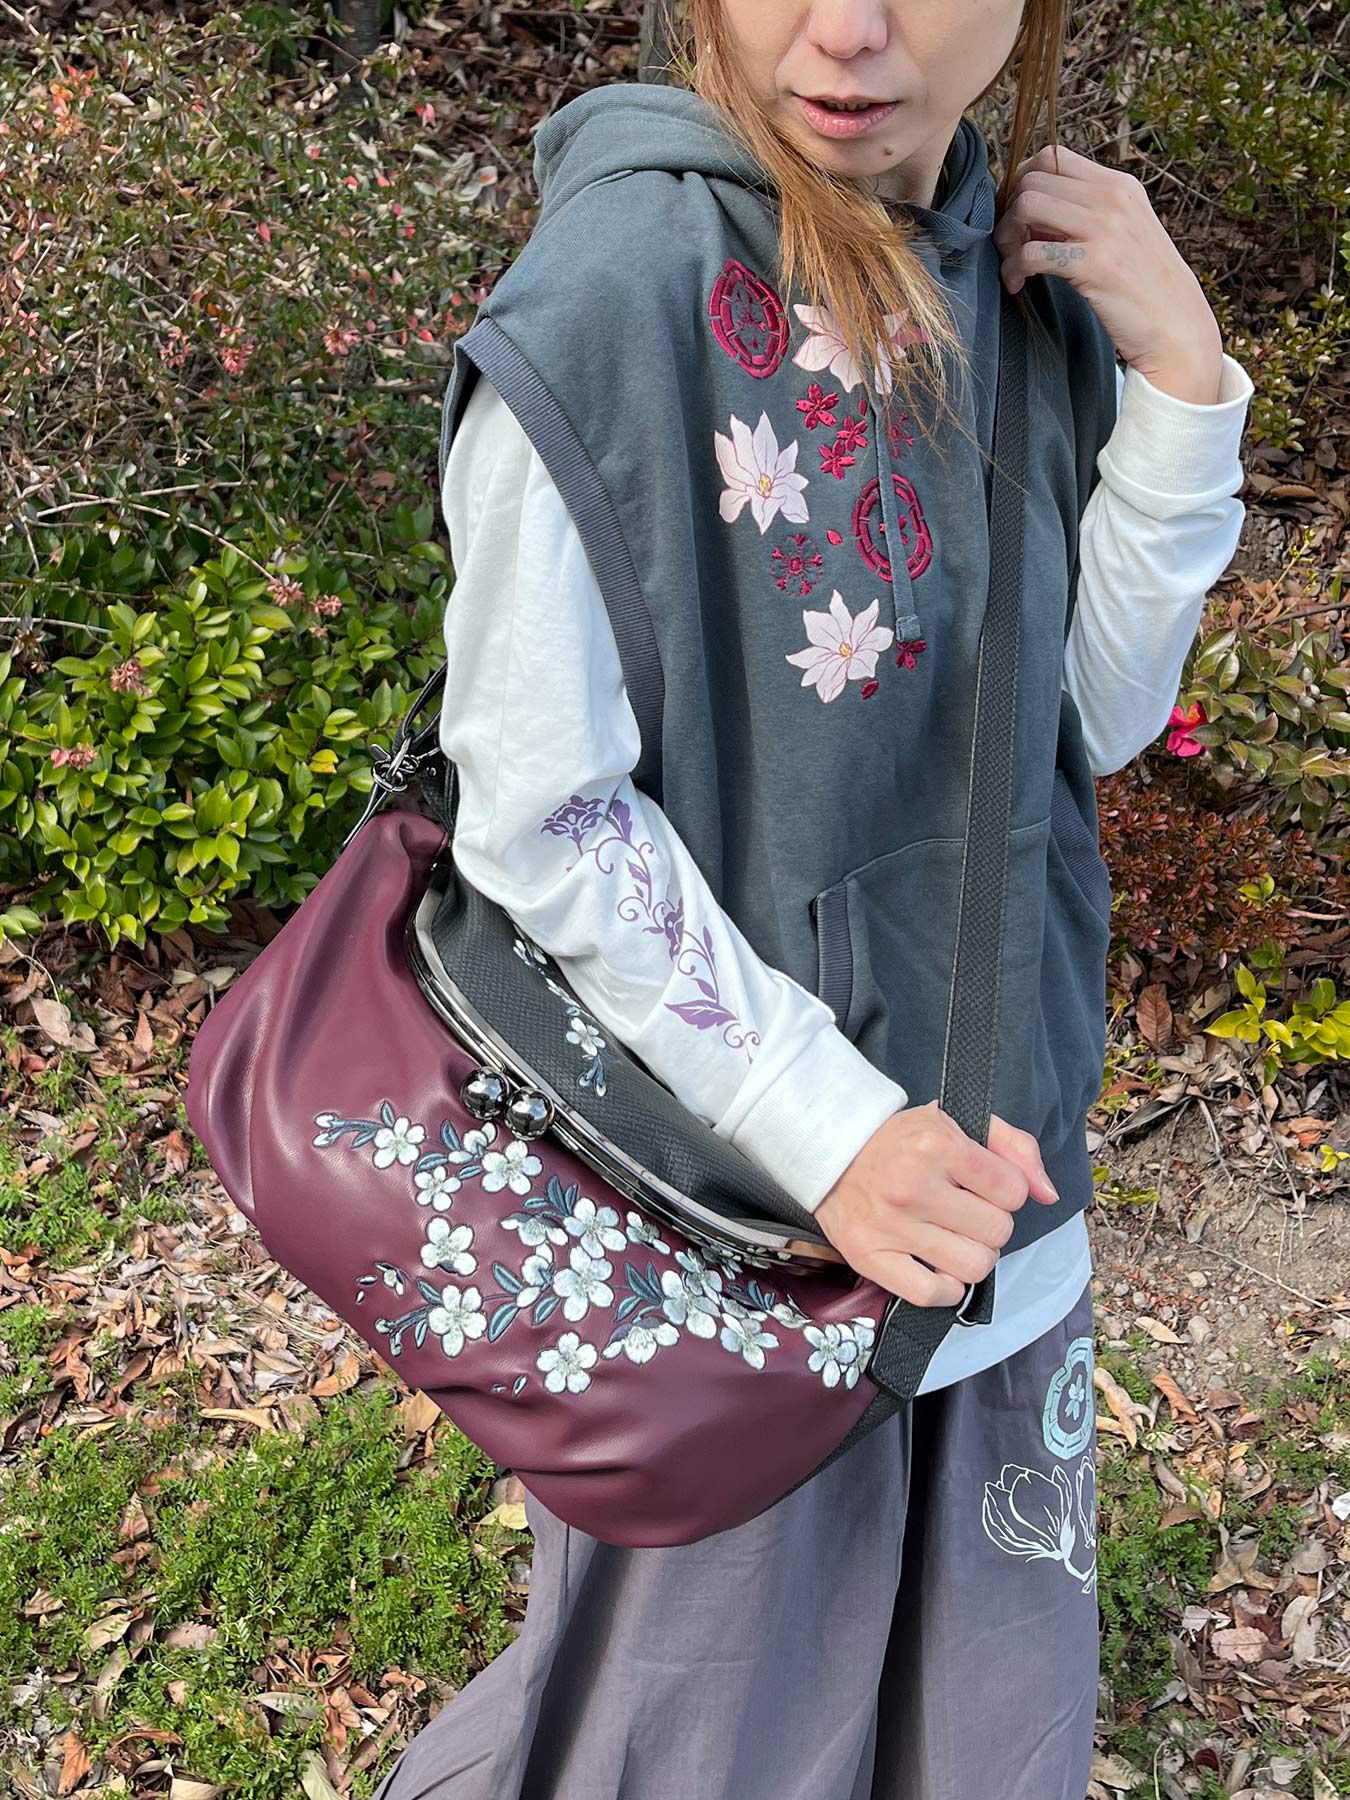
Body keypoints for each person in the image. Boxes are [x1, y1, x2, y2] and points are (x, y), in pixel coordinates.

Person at [375, 3, 1253, 1794]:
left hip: (998, 1168)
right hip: (734, 1219)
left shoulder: (1021, 272)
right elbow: (538, 809)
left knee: (978, 1726)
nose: (847, 29)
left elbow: (1078, 725)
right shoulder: (619, 293)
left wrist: (1179, 385)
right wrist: (828, 1131)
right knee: (703, 1732)